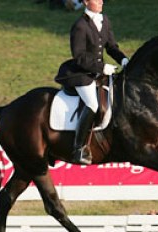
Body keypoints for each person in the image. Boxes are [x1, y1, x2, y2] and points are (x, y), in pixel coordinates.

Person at [55, 0, 129, 164]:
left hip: (98, 73)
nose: (101, 1)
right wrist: (102, 67)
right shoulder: (80, 26)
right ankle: (79, 148)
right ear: (86, 2)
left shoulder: (105, 20)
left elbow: (111, 46)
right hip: (82, 74)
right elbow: (79, 57)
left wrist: (123, 59)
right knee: (93, 105)